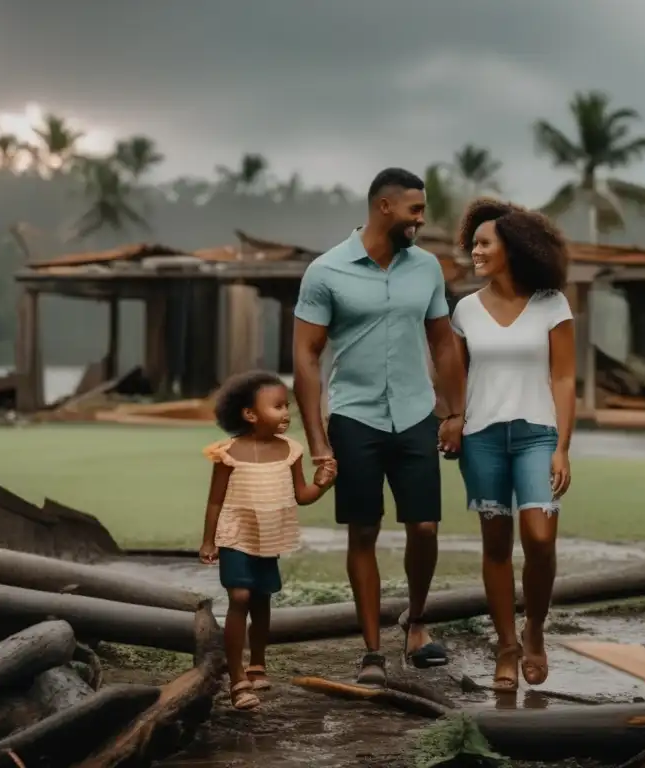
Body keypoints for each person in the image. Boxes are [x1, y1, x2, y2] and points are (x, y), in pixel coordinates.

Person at [292, 167, 465, 685]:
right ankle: (371, 651)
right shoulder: (326, 271)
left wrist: (455, 411)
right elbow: (306, 357)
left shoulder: (427, 268)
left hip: (415, 412)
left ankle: (416, 622)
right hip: (354, 415)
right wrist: (318, 441)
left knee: (425, 527)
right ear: (384, 207)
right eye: (415, 209)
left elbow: (443, 342)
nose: (421, 218)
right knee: (363, 531)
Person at [437, 198, 576, 691]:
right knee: (496, 545)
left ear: (513, 248)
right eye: (473, 243)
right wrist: (451, 418)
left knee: (540, 539)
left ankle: (534, 627)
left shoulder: (551, 304)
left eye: (484, 243)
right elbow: (455, 376)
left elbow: (563, 378)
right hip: (483, 439)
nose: (474, 251)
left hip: (538, 434)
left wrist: (562, 446)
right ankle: (506, 646)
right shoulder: (466, 310)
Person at [199, 371, 337, 710]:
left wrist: (323, 483)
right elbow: (215, 500)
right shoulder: (227, 453)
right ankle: (236, 680)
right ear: (250, 414)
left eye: (286, 405)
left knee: (261, 599)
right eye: (277, 406)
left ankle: (257, 663)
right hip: (236, 532)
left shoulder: (291, 451)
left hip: (270, 534)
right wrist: (208, 541)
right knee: (240, 596)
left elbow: (302, 496)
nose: (286, 413)